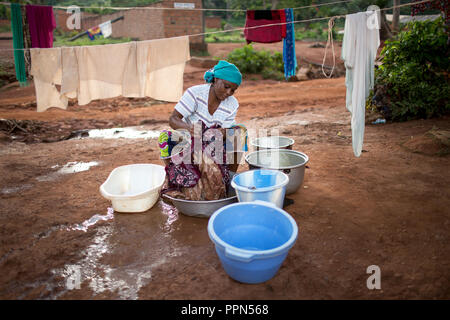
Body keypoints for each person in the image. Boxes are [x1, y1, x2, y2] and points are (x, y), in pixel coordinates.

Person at [167, 60, 245, 172]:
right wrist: (190, 129)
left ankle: (230, 177)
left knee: (238, 133)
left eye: (233, 90)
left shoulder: (232, 104)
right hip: (189, 139)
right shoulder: (195, 93)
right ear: (215, 79)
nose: (228, 92)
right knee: (166, 138)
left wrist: (223, 132)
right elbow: (173, 119)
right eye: (226, 86)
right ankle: (173, 174)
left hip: (212, 142)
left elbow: (226, 129)